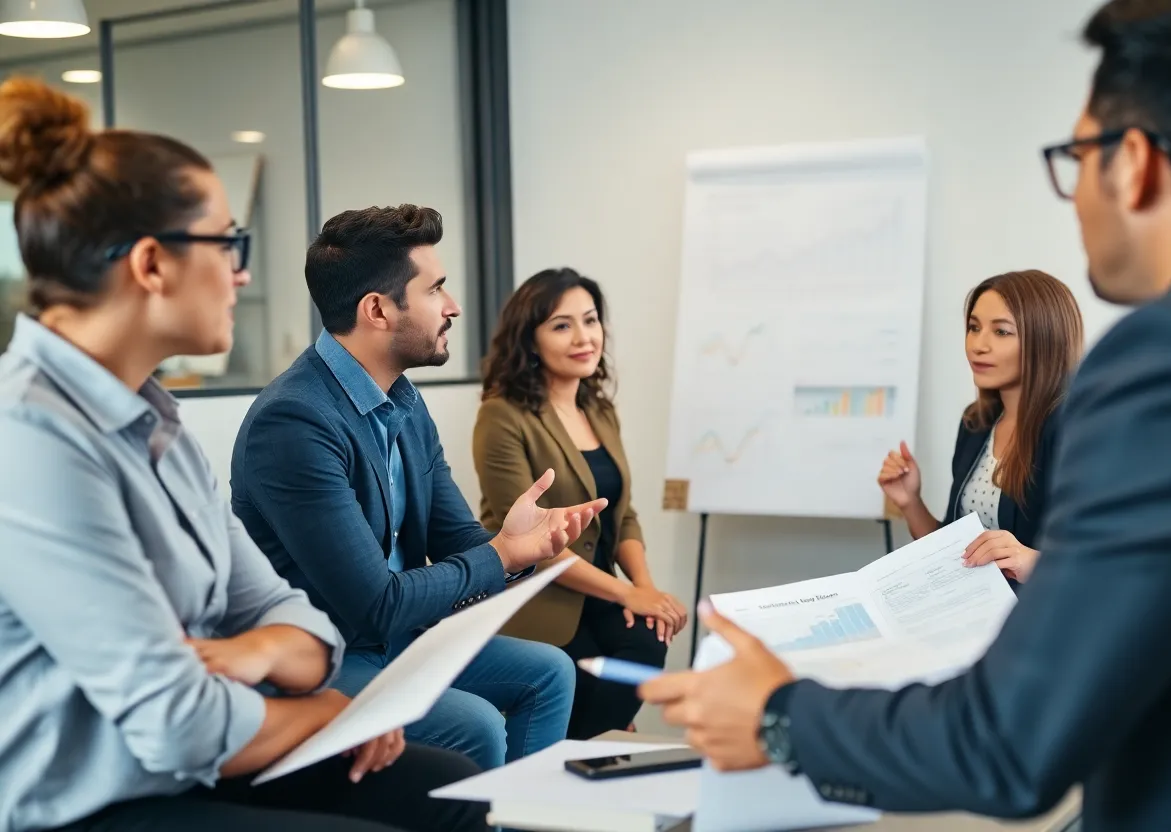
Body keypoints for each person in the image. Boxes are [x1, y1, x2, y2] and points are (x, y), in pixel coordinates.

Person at [640, 1, 1171, 829]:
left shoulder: (1170, 358)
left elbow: (1011, 742)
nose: (1076, 197)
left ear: (1134, 163)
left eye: (1077, 158)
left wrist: (778, 714)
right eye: (974, 327)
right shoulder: (987, 421)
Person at [0, 78, 485, 832]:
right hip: (93, 801)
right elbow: (179, 723)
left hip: (194, 757)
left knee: (449, 790)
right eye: (228, 243)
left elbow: (296, 622)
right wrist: (328, 710)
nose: (243, 272)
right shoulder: (30, 436)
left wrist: (269, 650)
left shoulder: (156, 418)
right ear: (152, 264)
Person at [231, 206, 600, 771]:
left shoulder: (403, 400)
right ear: (377, 310)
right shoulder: (294, 422)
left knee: (550, 672)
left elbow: (457, 540)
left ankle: (524, 813)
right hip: (331, 651)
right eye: (435, 289)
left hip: (400, 637)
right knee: (476, 725)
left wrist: (521, 546)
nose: (453, 307)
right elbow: (376, 606)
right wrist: (501, 555)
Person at [474, 268, 688, 740]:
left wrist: (644, 589)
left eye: (590, 321)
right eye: (561, 325)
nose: (583, 337)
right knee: (588, 700)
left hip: (597, 591)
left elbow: (623, 515)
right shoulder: (501, 415)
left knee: (648, 638)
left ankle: (597, 742)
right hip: (539, 598)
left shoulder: (599, 410)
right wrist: (626, 594)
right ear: (530, 340)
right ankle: (583, 750)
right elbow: (528, 540)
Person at [877, 270, 1083, 584]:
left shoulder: (1074, 431)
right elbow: (954, 554)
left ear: (1045, 340)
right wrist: (910, 502)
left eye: (1001, 332)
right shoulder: (976, 423)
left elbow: (1107, 563)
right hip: (969, 610)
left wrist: (1031, 561)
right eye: (974, 328)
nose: (978, 345)